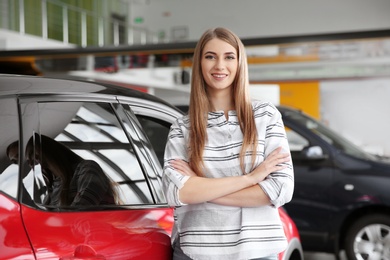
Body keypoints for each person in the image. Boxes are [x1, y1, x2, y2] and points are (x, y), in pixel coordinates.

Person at [162, 27, 294, 260]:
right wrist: (250, 179)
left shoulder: (265, 115)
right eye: (210, 56)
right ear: (199, 64)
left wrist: (201, 189)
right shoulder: (182, 128)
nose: (219, 66)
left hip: (257, 253)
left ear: (239, 63)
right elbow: (177, 191)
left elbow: (280, 189)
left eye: (229, 57)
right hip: (195, 252)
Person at [25, 134, 120, 207]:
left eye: (33, 155)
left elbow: (81, 210)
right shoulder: (53, 187)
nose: (32, 163)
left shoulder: (87, 169)